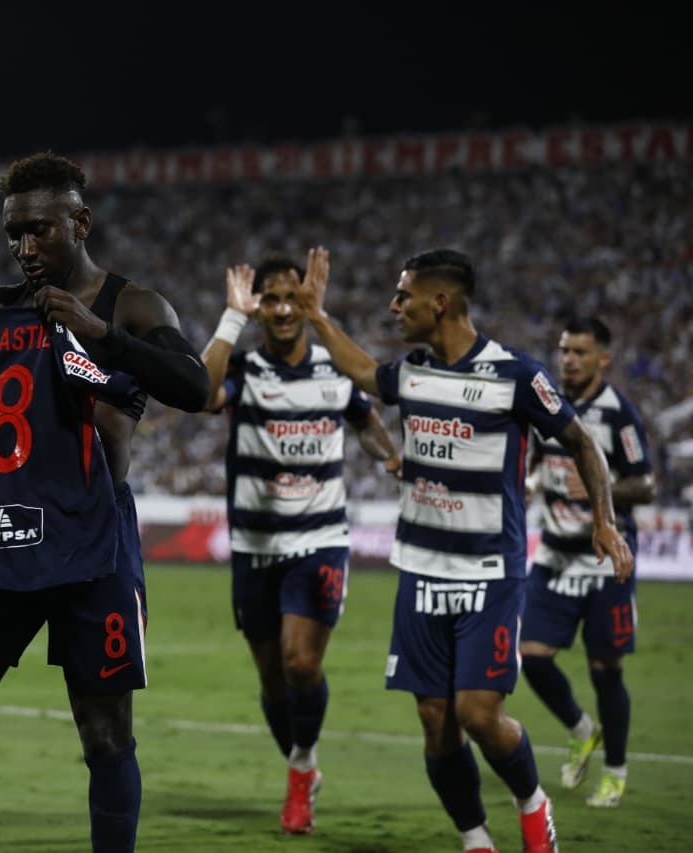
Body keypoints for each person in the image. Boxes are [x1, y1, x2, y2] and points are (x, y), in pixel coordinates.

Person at [0, 151, 209, 853]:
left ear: (80, 222)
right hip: (7, 529)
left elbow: (193, 386)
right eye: (14, 234)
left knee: (104, 733)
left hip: (96, 539)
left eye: (41, 231)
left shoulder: (134, 305)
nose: (25, 249)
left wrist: (101, 333)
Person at [292, 247, 634, 853]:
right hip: (420, 571)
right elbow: (367, 373)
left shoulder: (515, 376)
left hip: (488, 573)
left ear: (440, 301)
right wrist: (318, 319)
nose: (395, 306)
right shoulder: (415, 370)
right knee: (434, 722)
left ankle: (532, 806)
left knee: (479, 714)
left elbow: (585, 444)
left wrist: (603, 522)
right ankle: (476, 839)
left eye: (404, 296)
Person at [199, 255, 400, 834]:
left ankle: (301, 768)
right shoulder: (244, 368)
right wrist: (230, 321)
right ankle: (300, 766)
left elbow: (365, 419)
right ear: (258, 306)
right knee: (271, 678)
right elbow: (205, 396)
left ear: (305, 303)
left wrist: (389, 454)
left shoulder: (334, 370)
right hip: (255, 545)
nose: (283, 309)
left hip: (319, 539)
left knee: (300, 661)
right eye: (271, 299)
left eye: (292, 297)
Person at [521, 317, 654, 808]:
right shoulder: (548, 403)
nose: (569, 359)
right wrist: (533, 484)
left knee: (606, 669)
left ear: (603, 359)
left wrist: (602, 489)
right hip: (555, 554)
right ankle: (581, 729)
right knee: (531, 657)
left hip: (604, 561)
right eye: (564, 350)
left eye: (579, 351)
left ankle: (615, 771)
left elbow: (646, 483)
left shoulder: (620, 415)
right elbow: (536, 459)